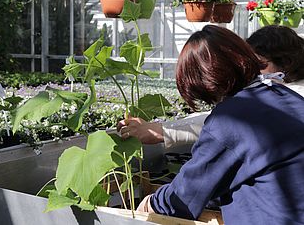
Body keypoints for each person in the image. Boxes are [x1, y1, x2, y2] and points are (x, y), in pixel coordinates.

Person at [135, 25, 304, 224]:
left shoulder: (230, 119)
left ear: (206, 82)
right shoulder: (284, 96)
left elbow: (184, 197)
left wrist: (153, 203)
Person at [117, 25, 304, 147]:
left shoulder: (291, 96)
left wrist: (162, 131)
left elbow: (229, 121)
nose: (250, 69)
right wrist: (161, 127)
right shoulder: (277, 94)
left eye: (259, 64)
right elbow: (217, 118)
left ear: (286, 63)